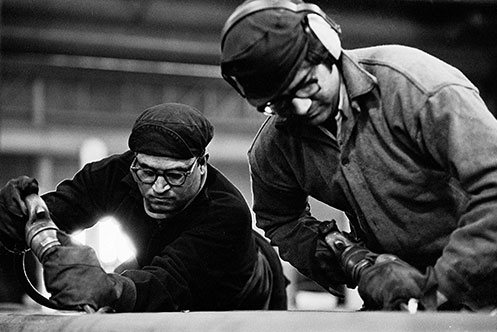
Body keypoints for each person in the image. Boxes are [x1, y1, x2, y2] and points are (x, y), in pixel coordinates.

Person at [220, 0, 497, 311]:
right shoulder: (274, 149)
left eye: (307, 85)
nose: (300, 108)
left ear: (328, 48)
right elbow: (279, 220)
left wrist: (439, 287)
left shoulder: (416, 88)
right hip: (397, 297)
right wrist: (351, 261)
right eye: (278, 103)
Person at [0, 102, 288, 312]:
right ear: (134, 160)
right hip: (156, 262)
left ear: (203, 163)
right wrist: (17, 218)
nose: (158, 188)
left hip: (247, 296)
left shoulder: (227, 213)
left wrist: (111, 288)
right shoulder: (117, 173)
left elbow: (169, 284)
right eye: (147, 172)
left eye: (175, 175)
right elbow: (61, 209)